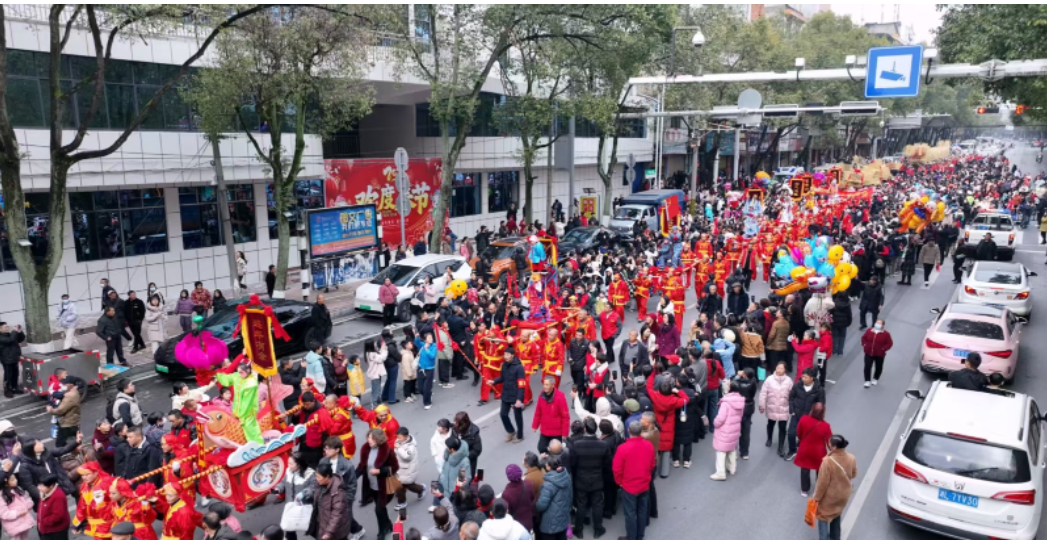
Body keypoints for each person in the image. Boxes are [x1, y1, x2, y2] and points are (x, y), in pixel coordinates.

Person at [614, 422, 654, 540]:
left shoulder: (622, 449)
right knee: (642, 512)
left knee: (630, 514)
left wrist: (619, 482)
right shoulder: (648, 445)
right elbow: (652, 464)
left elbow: (617, 469)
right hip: (644, 484)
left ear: (629, 431)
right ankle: (640, 536)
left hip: (629, 487)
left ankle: (632, 537)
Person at [356, 428, 400, 538]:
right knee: (381, 508)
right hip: (371, 486)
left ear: (379, 440)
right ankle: (388, 523)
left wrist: (380, 471)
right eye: (369, 437)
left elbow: (395, 467)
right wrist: (352, 477)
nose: (369, 440)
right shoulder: (365, 448)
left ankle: (382, 531)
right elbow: (362, 466)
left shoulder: (387, 450)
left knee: (378, 509)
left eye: (372, 438)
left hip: (384, 486)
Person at [812, 434, 857, 540]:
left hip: (830, 498)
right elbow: (854, 474)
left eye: (830, 443)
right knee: (836, 515)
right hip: (843, 496)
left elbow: (822, 484)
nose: (829, 444)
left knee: (823, 518)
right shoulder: (851, 458)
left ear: (834, 447)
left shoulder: (827, 462)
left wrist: (816, 498)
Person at [786, 368, 825, 461]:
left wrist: (815, 416)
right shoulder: (797, 385)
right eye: (802, 376)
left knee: (807, 436)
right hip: (796, 414)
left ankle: (805, 451)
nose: (803, 378)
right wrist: (792, 410)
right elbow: (791, 398)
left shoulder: (819, 390)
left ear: (812, 378)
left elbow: (821, 404)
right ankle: (792, 450)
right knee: (791, 433)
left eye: (805, 377)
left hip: (809, 417)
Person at [710, 380, 745, 481]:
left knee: (721, 451)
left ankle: (720, 473)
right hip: (735, 429)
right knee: (731, 448)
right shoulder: (740, 401)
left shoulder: (726, 402)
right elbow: (741, 415)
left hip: (725, 430)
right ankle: (732, 468)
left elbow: (720, 418)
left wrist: (715, 423)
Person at [795, 403, 832, 497]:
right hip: (819, 452)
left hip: (805, 449)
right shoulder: (825, 426)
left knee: (805, 470)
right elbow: (830, 442)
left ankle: (804, 490)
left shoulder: (804, 419)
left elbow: (798, 433)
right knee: (820, 471)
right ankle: (818, 489)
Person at [758, 361, 793, 457]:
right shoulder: (769, 379)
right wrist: (762, 405)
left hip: (784, 408)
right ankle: (769, 438)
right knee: (770, 424)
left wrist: (792, 408)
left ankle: (780, 447)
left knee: (782, 428)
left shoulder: (789, 381)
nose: (779, 370)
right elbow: (763, 393)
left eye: (781, 368)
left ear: (785, 369)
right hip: (772, 407)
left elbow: (792, 396)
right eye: (777, 368)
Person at [491, 349, 526, 444]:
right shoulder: (504, 365)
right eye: (504, 354)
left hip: (516, 395)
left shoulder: (519, 367)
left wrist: (519, 399)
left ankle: (520, 435)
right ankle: (511, 431)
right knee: (503, 414)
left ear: (512, 355)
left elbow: (522, 384)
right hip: (506, 393)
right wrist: (494, 381)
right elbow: (502, 377)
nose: (505, 356)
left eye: (507, 354)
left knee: (517, 416)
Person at [534, 455, 572, 540]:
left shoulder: (548, 484)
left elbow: (541, 506)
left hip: (550, 522)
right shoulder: (566, 476)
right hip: (563, 516)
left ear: (548, 467)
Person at [310, 463, 351, 540]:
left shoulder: (337, 493)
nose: (316, 479)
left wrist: (329, 532)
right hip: (323, 524)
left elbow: (336, 515)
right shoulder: (319, 484)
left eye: (319, 477)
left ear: (327, 477)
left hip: (336, 531)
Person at [532, 376, 570, 454]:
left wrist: (564, 433)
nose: (544, 387)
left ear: (552, 385)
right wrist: (535, 425)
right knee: (541, 448)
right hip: (545, 430)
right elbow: (538, 411)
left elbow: (565, 417)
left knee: (556, 452)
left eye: (547, 385)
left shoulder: (560, 397)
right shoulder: (541, 396)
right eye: (544, 384)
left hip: (557, 432)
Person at [433, 436, 470, 514]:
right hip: (445, 487)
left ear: (452, 449)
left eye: (447, 447)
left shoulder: (464, 462)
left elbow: (462, 480)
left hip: (453, 493)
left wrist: (454, 490)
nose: (446, 448)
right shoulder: (449, 455)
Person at [393, 427, 425, 513]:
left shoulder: (411, 446)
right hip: (400, 469)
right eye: (397, 437)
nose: (397, 439)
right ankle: (402, 502)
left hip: (408, 470)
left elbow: (407, 456)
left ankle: (421, 489)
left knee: (407, 485)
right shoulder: (399, 441)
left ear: (406, 437)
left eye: (399, 437)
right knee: (400, 485)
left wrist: (398, 448)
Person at [46, 377, 81, 447]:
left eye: (64, 385)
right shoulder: (73, 392)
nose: (62, 386)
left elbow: (60, 410)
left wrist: (50, 410)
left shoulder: (70, 396)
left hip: (67, 424)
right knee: (75, 441)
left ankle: (67, 455)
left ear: (70, 385)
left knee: (60, 444)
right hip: (72, 421)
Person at [0, 470, 35, 540]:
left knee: (25, 537)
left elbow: (27, 498)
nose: (16, 480)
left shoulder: (18, 489)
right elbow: (3, 513)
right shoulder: (2, 495)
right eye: (12, 479)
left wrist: (29, 505)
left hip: (24, 521)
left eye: (15, 478)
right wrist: (19, 513)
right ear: (6, 482)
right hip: (13, 525)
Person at [500, 464, 534, 533]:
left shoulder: (507, 494)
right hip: (528, 522)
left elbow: (506, 512)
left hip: (516, 526)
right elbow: (532, 500)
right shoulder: (529, 484)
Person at [860, 319, 894, 388]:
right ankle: (867, 381)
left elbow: (889, 343)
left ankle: (875, 378)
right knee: (867, 366)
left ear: (882, 325)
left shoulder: (886, 334)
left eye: (879, 323)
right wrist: (864, 344)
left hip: (879, 354)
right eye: (877, 323)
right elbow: (864, 338)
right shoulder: (869, 331)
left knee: (878, 367)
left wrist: (883, 349)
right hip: (869, 352)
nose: (877, 324)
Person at [36, 473, 71, 540]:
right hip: (45, 528)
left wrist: (43, 521)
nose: (38, 488)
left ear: (51, 486)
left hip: (56, 530)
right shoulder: (45, 493)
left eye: (41, 486)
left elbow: (58, 516)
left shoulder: (58, 496)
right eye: (38, 485)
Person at [454, 412, 483, 477]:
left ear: (462, 424)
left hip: (469, 460)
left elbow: (477, 450)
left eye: (457, 422)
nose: (455, 424)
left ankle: (472, 483)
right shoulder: (455, 428)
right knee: (461, 477)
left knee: (469, 477)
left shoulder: (474, 434)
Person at [365, 339, 388, 408]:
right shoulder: (371, 354)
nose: (375, 343)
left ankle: (378, 403)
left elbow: (379, 355)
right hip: (374, 374)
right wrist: (384, 349)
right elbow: (382, 358)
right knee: (376, 390)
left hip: (376, 373)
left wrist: (382, 349)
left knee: (377, 389)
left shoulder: (370, 353)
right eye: (374, 343)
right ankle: (374, 405)